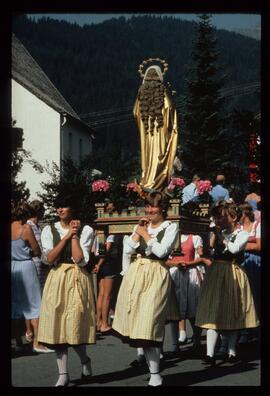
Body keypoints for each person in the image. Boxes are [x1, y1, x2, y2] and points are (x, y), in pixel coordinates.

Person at [112, 192, 180, 386]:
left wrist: (146, 235)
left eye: (154, 207)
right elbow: (128, 249)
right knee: (138, 322)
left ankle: (156, 373)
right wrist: (138, 231)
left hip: (157, 273)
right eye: (147, 207)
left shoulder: (170, 227)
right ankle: (155, 373)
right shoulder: (142, 226)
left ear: (163, 208)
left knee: (150, 322)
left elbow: (161, 251)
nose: (149, 211)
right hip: (137, 273)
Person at [37, 193, 96, 387]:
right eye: (57, 207)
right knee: (57, 326)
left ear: (73, 208)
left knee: (75, 326)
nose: (60, 210)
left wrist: (75, 236)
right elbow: (49, 259)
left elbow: (80, 259)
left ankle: (85, 360)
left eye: (64, 206)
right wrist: (66, 236)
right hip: (57, 278)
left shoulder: (86, 229)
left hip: (77, 277)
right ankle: (63, 374)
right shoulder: (49, 229)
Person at [195, 201, 259, 366]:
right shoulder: (219, 233)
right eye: (219, 217)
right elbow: (209, 250)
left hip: (233, 272)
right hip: (217, 272)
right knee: (213, 309)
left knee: (232, 310)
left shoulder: (241, 234)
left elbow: (234, 249)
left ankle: (231, 351)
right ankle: (210, 353)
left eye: (223, 217)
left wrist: (221, 237)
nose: (220, 220)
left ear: (234, 217)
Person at [11, 200, 52, 353]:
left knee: (15, 306)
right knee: (35, 304)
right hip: (26, 265)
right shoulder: (25, 228)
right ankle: (37, 342)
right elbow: (36, 251)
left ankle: (18, 343)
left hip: (13, 266)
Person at [133, 60, 178, 193]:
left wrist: (144, 123)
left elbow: (135, 113)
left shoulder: (141, 95)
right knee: (161, 157)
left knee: (147, 160)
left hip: (147, 133)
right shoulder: (163, 93)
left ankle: (147, 181)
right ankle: (158, 184)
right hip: (161, 134)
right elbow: (170, 110)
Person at [165, 234, 212, 354]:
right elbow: (165, 259)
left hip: (190, 273)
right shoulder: (171, 236)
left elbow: (201, 256)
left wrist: (189, 264)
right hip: (175, 273)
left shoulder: (195, 237)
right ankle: (175, 344)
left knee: (194, 308)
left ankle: (196, 339)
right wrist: (176, 264)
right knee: (174, 310)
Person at [93, 202, 124, 334]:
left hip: (100, 264)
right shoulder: (110, 231)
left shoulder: (99, 230)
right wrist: (100, 263)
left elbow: (94, 249)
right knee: (107, 295)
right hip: (108, 264)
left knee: (101, 294)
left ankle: (98, 322)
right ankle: (105, 323)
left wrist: (97, 264)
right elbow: (106, 249)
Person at [238, 203, 261, 344]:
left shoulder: (257, 225)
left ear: (244, 213)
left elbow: (259, 245)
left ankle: (256, 327)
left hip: (254, 261)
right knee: (242, 295)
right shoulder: (238, 228)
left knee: (256, 294)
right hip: (240, 261)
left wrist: (241, 245)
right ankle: (245, 330)